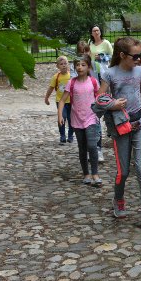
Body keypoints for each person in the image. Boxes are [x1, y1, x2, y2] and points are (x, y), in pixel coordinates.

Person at [98, 36, 141, 235]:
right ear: (123, 55)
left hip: (139, 124)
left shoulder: (140, 71)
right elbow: (98, 99)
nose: (140, 59)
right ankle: (118, 199)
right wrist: (112, 104)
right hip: (121, 127)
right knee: (123, 172)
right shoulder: (110, 74)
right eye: (136, 56)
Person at [60, 55, 102, 186]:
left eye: (83, 65)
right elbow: (62, 100)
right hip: (77, 119)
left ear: (88, 67)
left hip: (91, 118)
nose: (80, 67)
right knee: (82, 148)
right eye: (77, 65)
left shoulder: (93, 82)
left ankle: (95, 173)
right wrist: (60, 115)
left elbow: (99, 98)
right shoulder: (71, 83)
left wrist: (101, 112)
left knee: (92, 146)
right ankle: (86, 174)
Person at [76, 39, 104, 162]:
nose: (84, 54)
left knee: (96, 126)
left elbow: (102, 81)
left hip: (94, 101)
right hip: (82, 103)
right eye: (81, 52)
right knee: (84, 127)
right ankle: (88, 149)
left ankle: (98, 148)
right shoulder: (76, 67)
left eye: (86, 51)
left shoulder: (96, 66)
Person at [44, 55, 73, 144]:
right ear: (57, 66)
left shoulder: (71, 76)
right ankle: (62, 135)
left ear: (68, 64)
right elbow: (51, 88)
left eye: (65, 63)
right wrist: (46, 98)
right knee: (62, 117)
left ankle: (70, 135)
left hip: (71, 101)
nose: (64, 65)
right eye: (61, 64)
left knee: (71, 119)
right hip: (60, 101)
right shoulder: (56, 77)